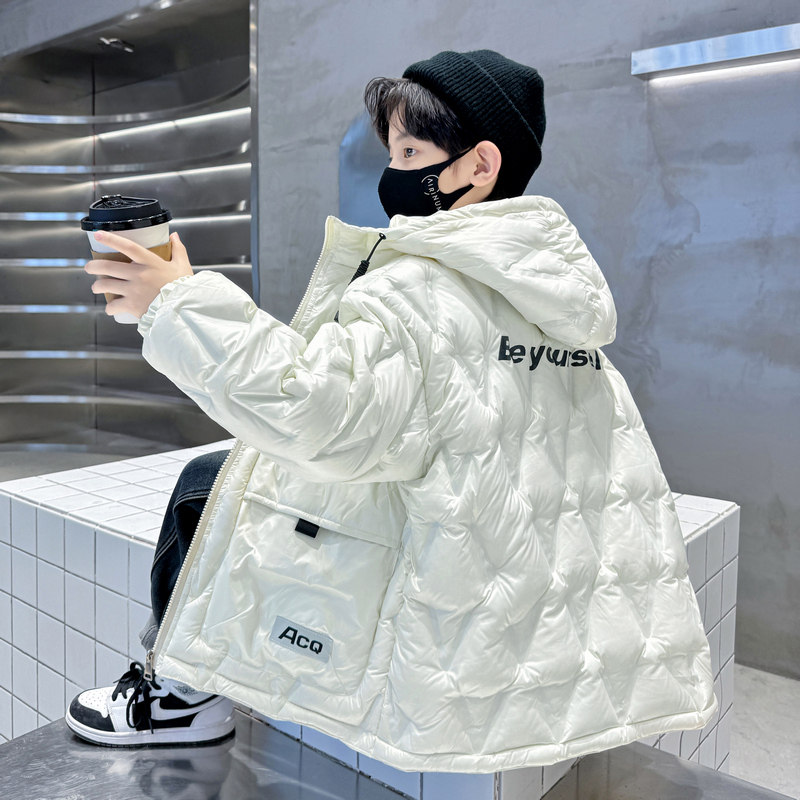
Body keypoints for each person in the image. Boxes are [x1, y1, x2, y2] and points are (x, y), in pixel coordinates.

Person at [66, 50, 716, 770]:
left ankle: (179, 697)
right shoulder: (555, 299)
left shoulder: (422, 288)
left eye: (410, 152)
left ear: (479, 165)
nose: (392, 171)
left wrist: (174, 302)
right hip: (536, 604)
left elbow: (312, 410)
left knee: (209, 486)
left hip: (451, 602)